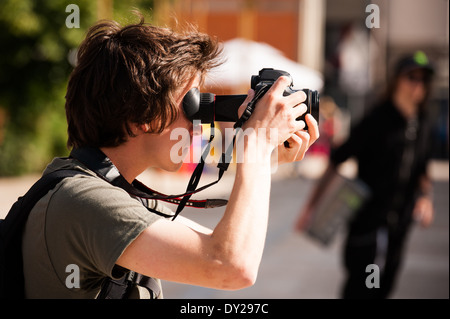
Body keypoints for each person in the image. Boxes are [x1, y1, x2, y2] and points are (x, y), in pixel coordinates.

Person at [21, 15, 319, 298]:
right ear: (143, 115)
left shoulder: (109, 190)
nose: (201, 121)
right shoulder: (82, 201)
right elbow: (229, 266)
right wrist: (256, 143)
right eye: (191, 104)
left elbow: (229, 243)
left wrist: (263, 157)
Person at [296, 51, 435, 299]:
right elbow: (337, 159)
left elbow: (423, 168)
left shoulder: (422, 122)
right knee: (360, 290)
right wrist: (311, 207)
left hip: (400, 226)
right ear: (397, 81)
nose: (418, 84)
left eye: (423, 79)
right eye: (411, 77)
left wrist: (425, 198)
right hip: (368, 226)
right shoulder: (377, 119)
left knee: (385, 288)